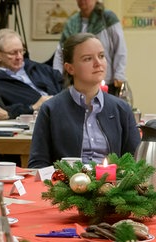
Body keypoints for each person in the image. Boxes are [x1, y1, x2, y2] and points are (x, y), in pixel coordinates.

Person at [28, 33, 140, 168]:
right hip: (64, 185)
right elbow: (38, 164)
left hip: (112, 186)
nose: (98, 63)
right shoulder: (51, 109)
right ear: (70, 68)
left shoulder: (121, 108)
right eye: (88, 59)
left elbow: (135, 162)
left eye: (101, 56)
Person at [52, 0, 126, 95]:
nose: (83, 1)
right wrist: (57, 77)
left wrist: (119, 74)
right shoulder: (71, 22)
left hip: (106, 81)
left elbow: (120, 48)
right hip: (78, 83)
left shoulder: (107, 18)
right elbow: (61, 52)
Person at [0, 28, 64, 119]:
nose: (19, 57)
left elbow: (65, 85)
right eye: (13, 53)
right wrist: (32, 107)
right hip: (34, 122)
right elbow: (2, 112)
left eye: (21, 51)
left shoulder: (40, 68)